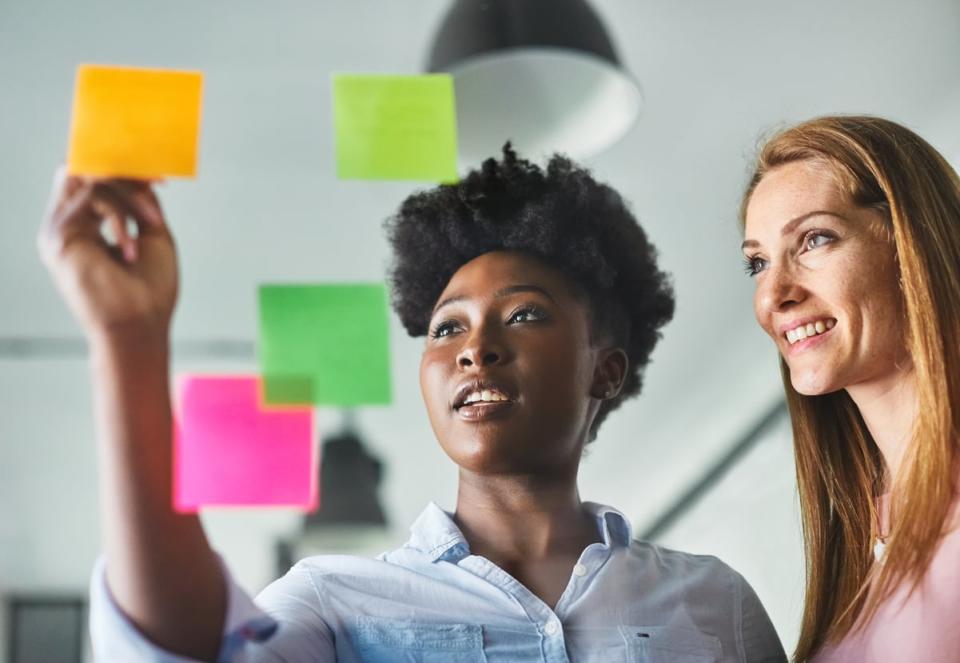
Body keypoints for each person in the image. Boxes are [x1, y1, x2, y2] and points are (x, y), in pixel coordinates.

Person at [40, 145, 786, 661]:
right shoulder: (334, 601)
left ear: (607, 370)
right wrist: (130, 338)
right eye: (447, 327)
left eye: (524, 314)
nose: (474, 347)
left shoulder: (715, 600)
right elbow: (183, 652)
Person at [739, 116, 960, 662]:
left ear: (910, 245)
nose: (774, 295)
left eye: (814, 239)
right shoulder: (862, 547)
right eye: (758, 264)